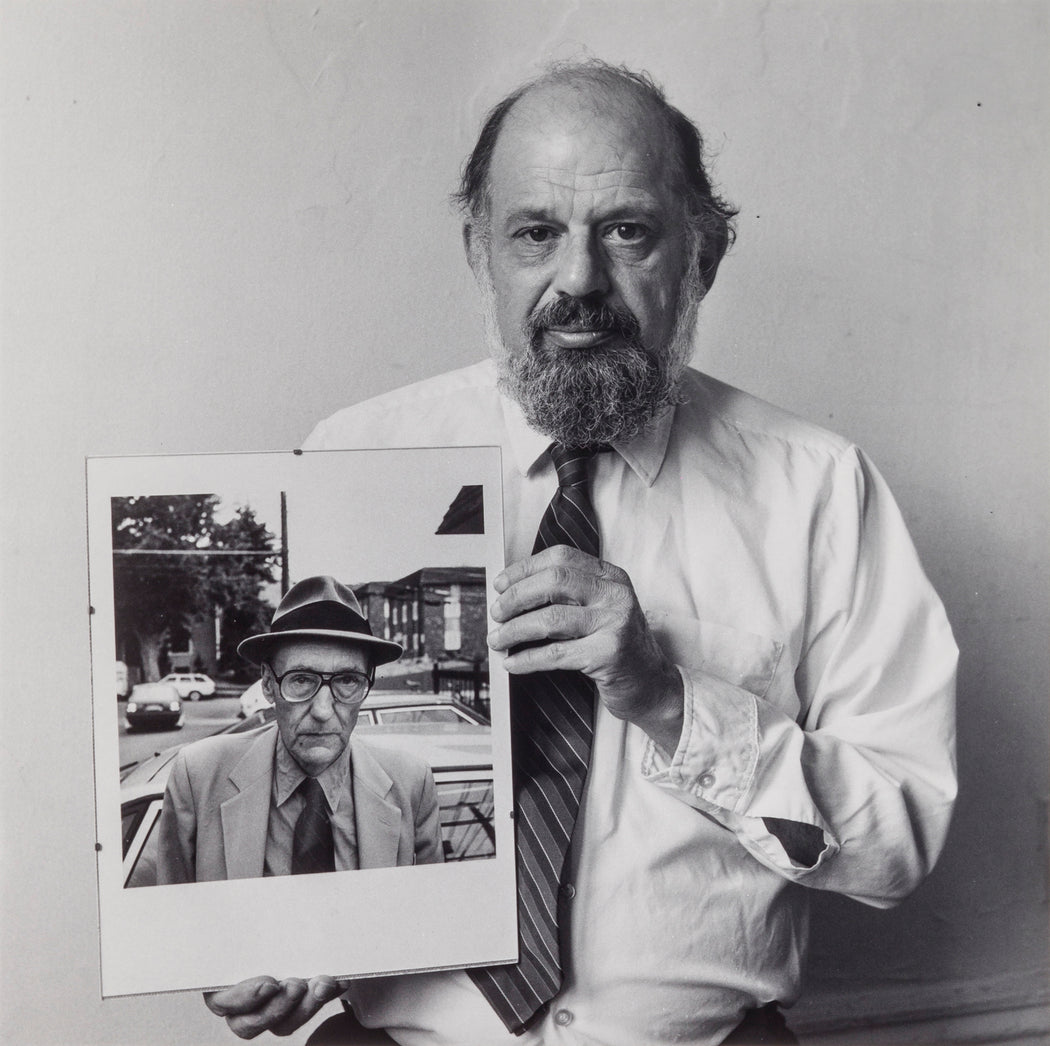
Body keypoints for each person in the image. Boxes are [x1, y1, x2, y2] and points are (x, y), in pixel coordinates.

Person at [204, 60, 957, 1045]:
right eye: (535, 233)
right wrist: (282, 936)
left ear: (704, 254)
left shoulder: (818, 489)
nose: (579, 281)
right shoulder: (351, 457)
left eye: (627, 230)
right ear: (481, 254)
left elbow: (896, 845)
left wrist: (671, 699)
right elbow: (291, 774)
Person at [156, 575, 444, 884]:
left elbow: (429, 906)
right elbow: (175, 909)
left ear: (366, 686)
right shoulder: (198, 777)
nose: (322, 711)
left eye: (347, 680)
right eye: (301, 679)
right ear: (268, 684)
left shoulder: (411, 783)